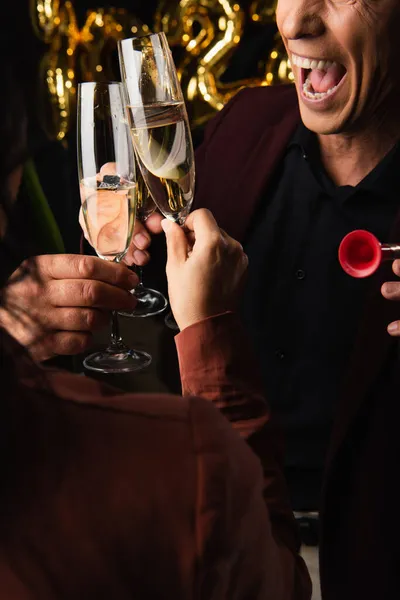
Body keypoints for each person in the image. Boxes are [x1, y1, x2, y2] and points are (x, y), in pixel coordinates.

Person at [0, 57, 311, 599]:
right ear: (14, 176)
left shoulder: (245, 124)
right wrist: (209, 337)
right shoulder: (173, 463)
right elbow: (277, 582)